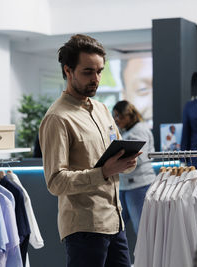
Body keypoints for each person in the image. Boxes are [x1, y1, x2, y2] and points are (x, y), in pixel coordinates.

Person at [39, 34, 141, 267]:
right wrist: (103, 172)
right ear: (68, 70)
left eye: (99, 71)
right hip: (84, 229)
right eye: (88, 72)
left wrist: (127, 160)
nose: (96, 79)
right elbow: (55, 182)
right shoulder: (57, 118)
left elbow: (113, 155)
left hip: (115, 222)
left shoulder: (103, 109)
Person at [112, 100, 156, 234]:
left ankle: (146, 256)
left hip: (139, 186)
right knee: (117, 228)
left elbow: (140, 158)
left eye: (119, 116)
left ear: (129, 115)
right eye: (114, 116)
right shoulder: (126, 132)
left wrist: (117, 162)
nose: (116, 119)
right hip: (126, 187)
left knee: (143, 232)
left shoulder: (139, 130)